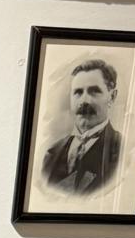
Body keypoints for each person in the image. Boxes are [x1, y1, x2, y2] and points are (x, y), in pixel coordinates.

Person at [41, 59, 122, 194]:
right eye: (78, 92)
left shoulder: (121, 152)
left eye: (94, 91)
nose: (84, 101)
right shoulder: (51, 153)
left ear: (112, 97)